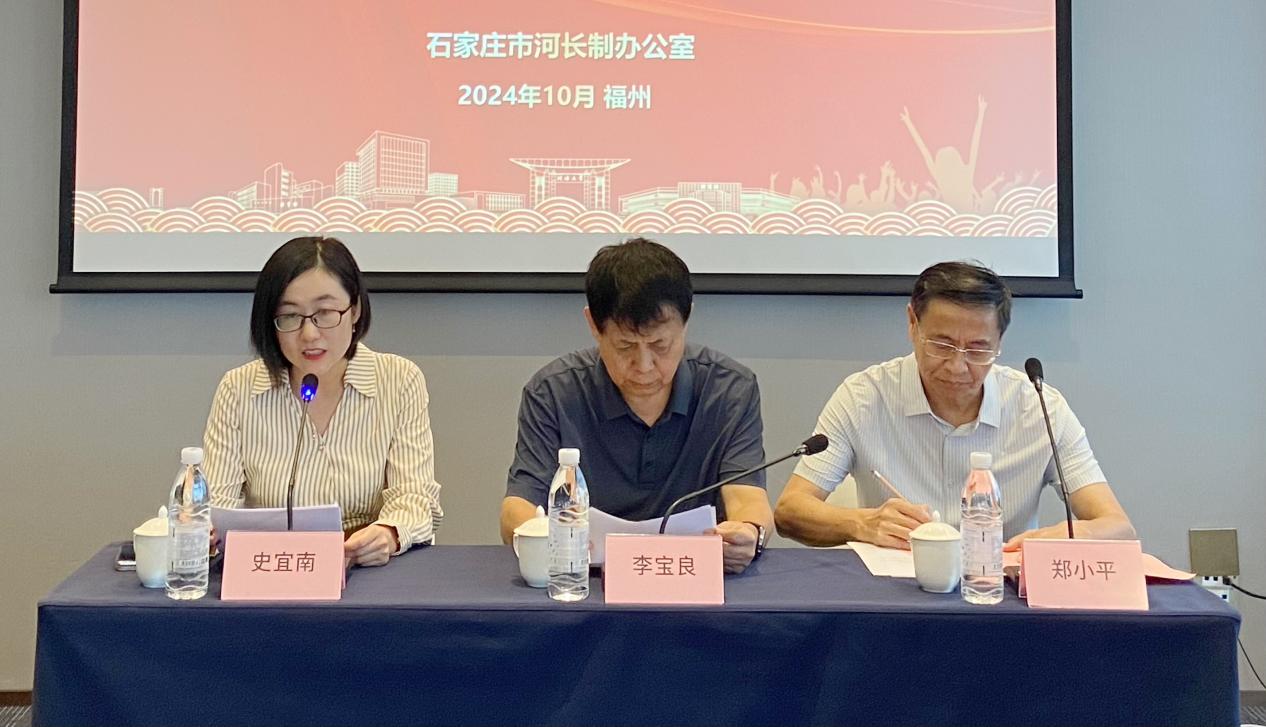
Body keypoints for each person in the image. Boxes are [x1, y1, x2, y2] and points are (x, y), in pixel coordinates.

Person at [774, 261, 1134, 550]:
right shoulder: (864, 398)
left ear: (1000, 341)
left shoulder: (1040, 408)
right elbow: (790, 511)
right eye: (942, 345)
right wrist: (862, 523)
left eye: (978, 349)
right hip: (894, 597)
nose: (957, 366)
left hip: (999, 596)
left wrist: (1066, 538)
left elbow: (1118, 527)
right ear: (912, 324)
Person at [500, 238, 773, 573]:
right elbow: (518, 507)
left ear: (686, 320)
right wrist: (544, 537)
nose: (644, 366)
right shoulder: (553, 393)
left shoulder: (730, 390)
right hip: (585, 579)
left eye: (660, 345)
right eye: (625, 346)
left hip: (692, 576)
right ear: (593, 325)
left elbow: (748, 500)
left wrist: (749, 533)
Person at [203, 236, 443, 566]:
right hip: (272, 568)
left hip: (363, 569)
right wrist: (205, 530)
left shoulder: (398, 380)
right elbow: (217, 504)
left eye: (325, 313)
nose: (309, 334)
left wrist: (388, 533)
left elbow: (415, 495)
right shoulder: (239, 389)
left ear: (354, 310)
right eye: (290, 316)